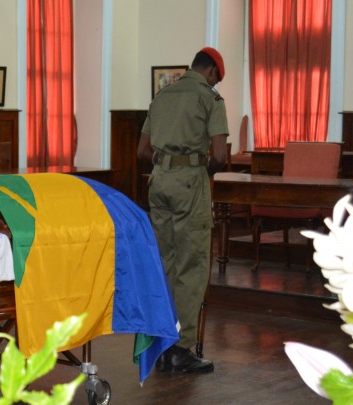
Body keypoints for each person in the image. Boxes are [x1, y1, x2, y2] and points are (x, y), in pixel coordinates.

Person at [136, 47, 228, 374]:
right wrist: (199, 170)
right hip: (190, 184)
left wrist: (167, 164)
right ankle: (181, 349)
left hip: (158, 181)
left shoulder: (163, 96)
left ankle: (160, 344)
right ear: (212, 72)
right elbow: (220, 155)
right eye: (216, 78)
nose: (215, 83)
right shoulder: (209, 98)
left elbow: (142, 151)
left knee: (165, 264)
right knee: (192, 265)